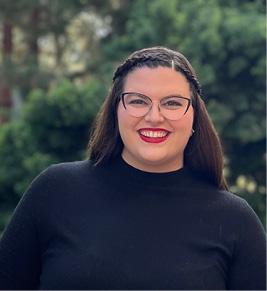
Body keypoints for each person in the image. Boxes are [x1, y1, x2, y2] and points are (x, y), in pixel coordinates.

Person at [0, 46, 265, 290]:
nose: (154, 116)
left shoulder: (234, 220)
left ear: (194, 116)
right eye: (138, 101)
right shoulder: (54, 192)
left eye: (172, 103)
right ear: (116, 111)